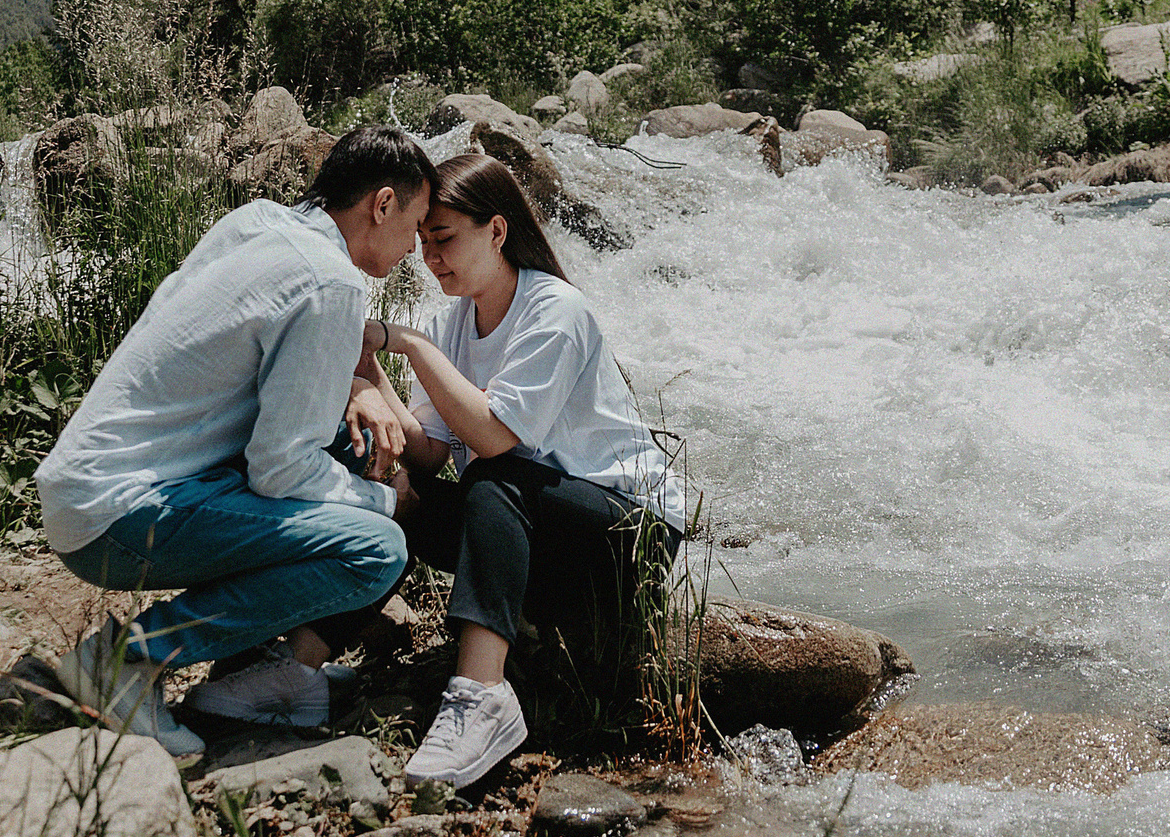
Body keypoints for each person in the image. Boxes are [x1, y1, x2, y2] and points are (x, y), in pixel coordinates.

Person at [36, 124, 435, 756]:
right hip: (120, 515)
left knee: (348, 453)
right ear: (381, 205)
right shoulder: (334, 282)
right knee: (376, 548)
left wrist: (355, 387)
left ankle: (253, 661)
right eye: (415, 225)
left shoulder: (253, 222)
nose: (415, 248)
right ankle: (129, 662)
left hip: (83, 490)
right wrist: (389, 500)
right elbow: (280, 469)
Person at [352, 152, 689, 785]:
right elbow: (433, 448)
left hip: (629, 530)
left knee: (494, 476)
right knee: (403, 488)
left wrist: (408, 344)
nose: (430, 256)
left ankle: (481, 698)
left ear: (497, 231)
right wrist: (371, 383)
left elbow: (495, 438)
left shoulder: (554, 310)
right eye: (423, 241)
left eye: (444, 238)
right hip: (538, 522)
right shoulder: (452, 323)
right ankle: (299, 667)